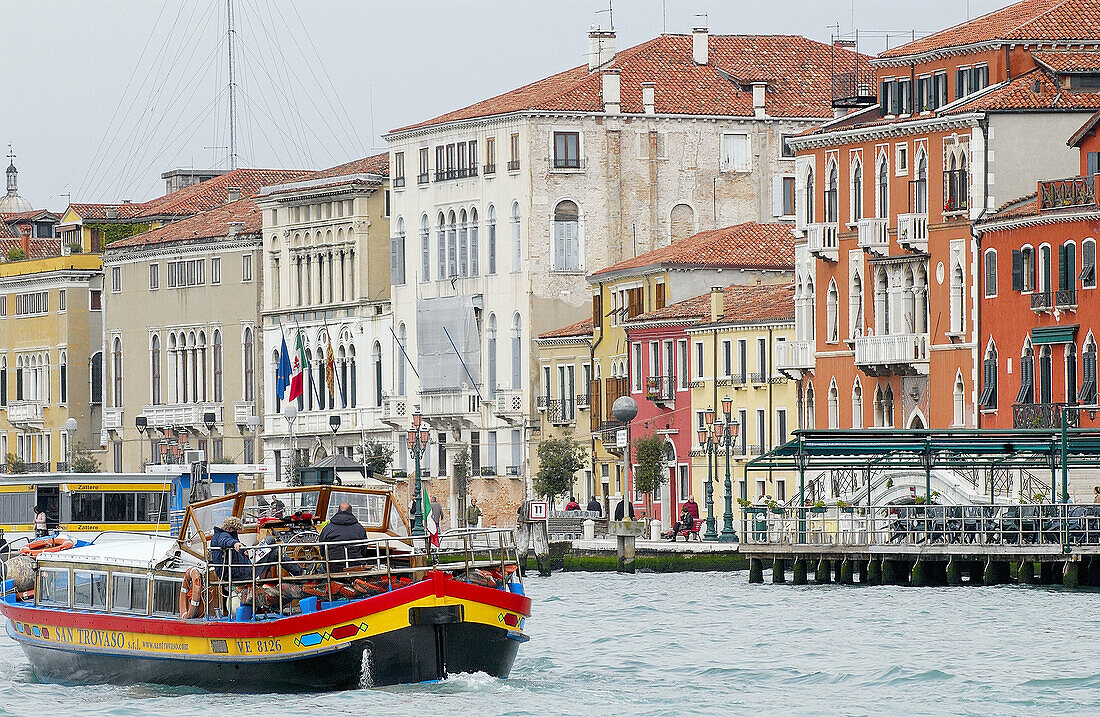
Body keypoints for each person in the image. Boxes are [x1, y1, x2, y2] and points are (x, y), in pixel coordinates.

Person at [318, 502, 367, 571]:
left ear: (338, 511)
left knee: (319, 569)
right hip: (355, 566)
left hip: (332, 567)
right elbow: (363, 551)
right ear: (351, 512)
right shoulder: (360, 528)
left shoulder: (327, 528)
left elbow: (322, 551)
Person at [210, 516, 253, 584]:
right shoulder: (223, 535)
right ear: (231, 529)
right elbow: (224, 541)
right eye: (237, 531)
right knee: (270, 543)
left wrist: (243, 550)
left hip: (233, 572)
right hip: (235, 573)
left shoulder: (220, 535)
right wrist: (234, 543)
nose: (237, 533)